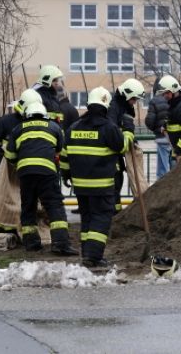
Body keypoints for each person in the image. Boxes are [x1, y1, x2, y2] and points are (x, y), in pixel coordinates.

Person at [60, 87, 127, 267]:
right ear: (105, 106)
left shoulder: (73, 128)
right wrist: (127, 132)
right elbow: (122, 147)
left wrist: (66, 174)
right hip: (102, 185)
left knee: (87, 218)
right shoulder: (109, 128)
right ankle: (93, 256)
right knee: (102, 217)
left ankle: (86, 253)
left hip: (80, 186)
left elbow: (64, 157)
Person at [4, 102, 77, 255]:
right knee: (54, 206)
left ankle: (31, 244)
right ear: (44, 114)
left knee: (28, 207)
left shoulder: (18, 129)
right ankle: (60, 244)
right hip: (47, 173)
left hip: (26, 174)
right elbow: (60, 150)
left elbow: (10, 156)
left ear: (27, 114)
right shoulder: (54, 127)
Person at [0, 88, 43, 207]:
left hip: (24, 165)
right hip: (2, 164)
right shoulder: (5, 121)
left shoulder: (35, 122)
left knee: (21, 196)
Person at [107, 78, 144, 213]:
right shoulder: (114, 107)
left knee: (118, 182)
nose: (135, 102)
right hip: (111, 153)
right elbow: (113, 130)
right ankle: (114, 213)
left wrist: (131, 140)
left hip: (116, 153)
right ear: (127, 94)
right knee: (115, 183)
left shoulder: (123, 106)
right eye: (134, 98)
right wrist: (126, 137)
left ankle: (115, 212)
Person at [145, 77, 172, 179]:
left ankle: (164, 189)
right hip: (174, 138)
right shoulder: (172, 99)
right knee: (172, 164)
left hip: (161, 137)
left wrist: (156, 129)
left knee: (162, 170)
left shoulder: (154, 101)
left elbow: (150, 121)